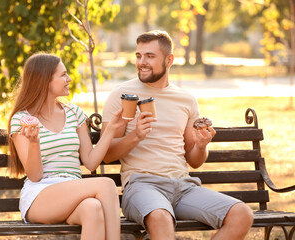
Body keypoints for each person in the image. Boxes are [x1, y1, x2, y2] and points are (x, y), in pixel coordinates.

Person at [101, 30, 254, 240]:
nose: (141, 62)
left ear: (169, 59)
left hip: (183, 187)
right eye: (139, 56)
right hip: (142, 185)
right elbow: (107, 155)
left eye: (150, 56)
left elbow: (195, 161)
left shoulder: (186, 99)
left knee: (242, 214)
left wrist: (201, 146)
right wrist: (136, 135)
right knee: (161, 217)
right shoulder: (122, 96)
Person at [7, 52, 124, 240]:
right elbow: (35, 176)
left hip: (73, 189)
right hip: (41, 195)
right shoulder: (22, 120)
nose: (69, 79)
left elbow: (91, 162)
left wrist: (110, 131)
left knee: (93, 209)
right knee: (107, 184)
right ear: (45, 81)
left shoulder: (74, 112)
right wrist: (34, 142)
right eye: (63, 75)